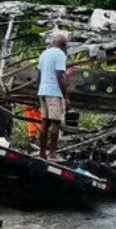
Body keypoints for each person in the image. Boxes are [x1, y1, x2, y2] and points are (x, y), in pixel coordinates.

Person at [37, 31, 70, 159]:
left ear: (53, 43)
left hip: (43, 91)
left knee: (44, 123)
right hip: (54, 92)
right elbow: (59, 76)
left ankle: (41, 153)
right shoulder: (60, 54)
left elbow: (39, 75)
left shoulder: (44, 54)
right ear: (64, 45)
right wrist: (65, 95)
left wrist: (39, 90)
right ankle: (52, 153)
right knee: (55, 123)